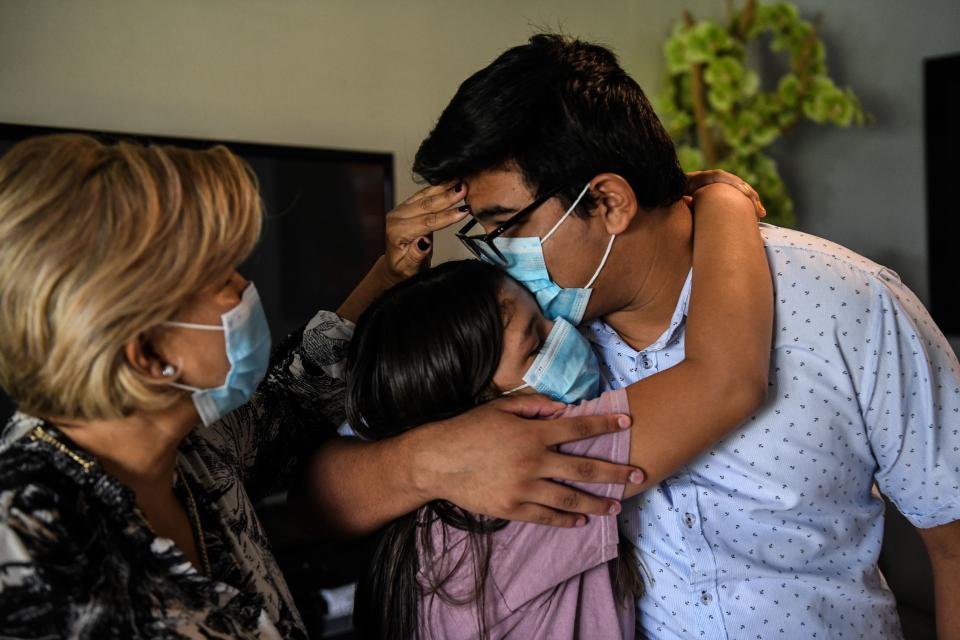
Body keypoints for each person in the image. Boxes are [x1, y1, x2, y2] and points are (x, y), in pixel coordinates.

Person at [0, 133, 761, 636]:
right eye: (220, 281)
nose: (246, 291)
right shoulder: (27, 551)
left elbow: (295, 400)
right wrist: (721, 200)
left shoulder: (196, 452)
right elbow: (722, 383)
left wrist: (390, 276)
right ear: (146, 354)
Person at [410, 33, 960, 639]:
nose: (500, 259)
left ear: (609, 201)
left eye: (505, 226)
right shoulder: (532, 349)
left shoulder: (848, 303)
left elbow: (955, 536)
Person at [346, 174, 767, 638]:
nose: (568, 335)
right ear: (471, 411)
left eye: (550, 317)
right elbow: (725, 380)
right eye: (535, 345)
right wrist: (721, 200)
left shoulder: (431, 528)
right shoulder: (524, 468)